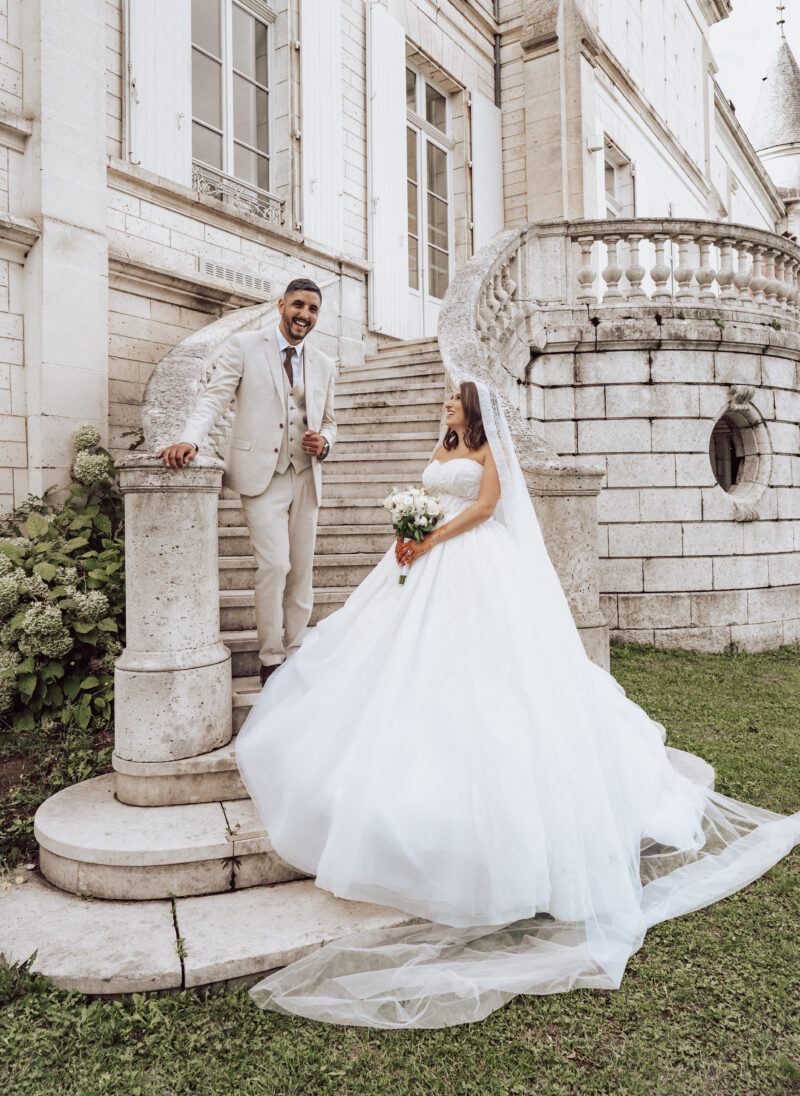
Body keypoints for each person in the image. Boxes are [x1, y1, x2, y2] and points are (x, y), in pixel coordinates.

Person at [234, 379, 800, 1029]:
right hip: (420, 559)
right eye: (446, 400)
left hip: (471, 563)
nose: (445, 404)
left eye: (454, 400)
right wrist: (410, 526)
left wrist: (433, 537)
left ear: (474, 407)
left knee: (491, 682)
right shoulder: (446, 443)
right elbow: (428, 492)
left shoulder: (489, 449)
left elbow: (485, 508)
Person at [159, 278, 336, 684]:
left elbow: (330, 421)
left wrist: (324, 442)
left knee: (301, 572)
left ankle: (296, 652)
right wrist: (190, 438)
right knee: (274, 565)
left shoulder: (324, 364)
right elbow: (214, 397)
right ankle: (271, 656)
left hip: (306, 476)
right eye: (298, 305)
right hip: (262, 476)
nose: (304, 314)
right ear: (281, 305)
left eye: (312, 309)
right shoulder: (245, 346)